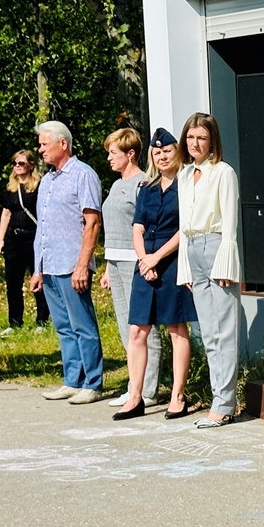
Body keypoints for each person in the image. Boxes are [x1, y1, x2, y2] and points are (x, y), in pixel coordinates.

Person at [114, 128, 197, 421]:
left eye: (167, 151)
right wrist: (143, 260)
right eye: (157, 152)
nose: (162, 157)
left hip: (171, 262)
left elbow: (184, 228)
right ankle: (135, 396)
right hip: (145, 264)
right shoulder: (147, 188)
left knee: (176, 329)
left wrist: (156, 258)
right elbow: (137, 226)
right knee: (138, 331)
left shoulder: (187, 185)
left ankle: (177, 396)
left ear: (178, 152)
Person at [30, 121, 105, 405]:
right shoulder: (48, 180)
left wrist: (82, 265)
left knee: (83, 325)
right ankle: (72, 380)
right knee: (63, 326)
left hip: (73, 265)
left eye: (44, 144)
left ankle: (93, 382)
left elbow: (92, 223)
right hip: (50, 265)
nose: (40, 150)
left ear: (63, 144)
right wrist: (37, 268)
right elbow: (43, 227)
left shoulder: (83, 175)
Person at [176, 113, 241, 428]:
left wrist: (226, 260)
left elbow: (229, 221)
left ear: (212, 140)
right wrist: (185, 267)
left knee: (224, 329)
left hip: (216, 248)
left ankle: (224, 403)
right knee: (208, 332)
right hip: (193, 249)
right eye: (190, 137)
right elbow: (183, 224)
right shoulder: (185, 174)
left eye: (201, 138)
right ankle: (220, 398)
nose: (195, 143)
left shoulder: (223, 172)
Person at [100, 128, 162, 408]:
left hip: (135, 261)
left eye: (113, 153)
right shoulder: (115, 185)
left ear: (131, 154)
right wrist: (105, 268)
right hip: (114, 260)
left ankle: (148, 389)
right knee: (127, 326)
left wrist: (146, 260)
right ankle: (133, 385)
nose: (109, 159)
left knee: (143, 325)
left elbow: (147, 225)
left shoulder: (143, 184)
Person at [0, 150, 50, 337]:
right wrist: (1, 239)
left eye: (21, 163)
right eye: (15, 163)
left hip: (34, 238)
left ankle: (42, 321)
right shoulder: (11, 187)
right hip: (14, 239)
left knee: (38, 280)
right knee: (13, 282)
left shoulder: (39, 186)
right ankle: (14, 322)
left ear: (31, 165)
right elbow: (6, 213)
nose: (17, 166)